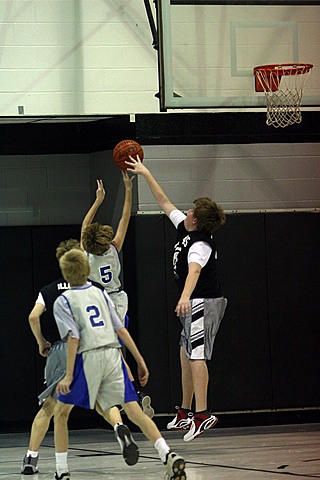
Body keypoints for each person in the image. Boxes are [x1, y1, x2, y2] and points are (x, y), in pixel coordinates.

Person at [53, 248, 186, 480]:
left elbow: (74, 338)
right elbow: (120, 329)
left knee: (61, 414)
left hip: (90, 356)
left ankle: (62, 472)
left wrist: (69, 374)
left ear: (65, 274)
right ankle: (167, 454)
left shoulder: (63, 301)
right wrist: (140, 360)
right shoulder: (101, 294)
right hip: (113, 356)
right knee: (135, 412)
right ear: (87, 270)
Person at [127, 156, 227, 442]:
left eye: (192, 209)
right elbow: (163, 202)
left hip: (203, 302)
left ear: (197, 219)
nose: (187, 209)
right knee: (186, 354)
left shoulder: (200, 245)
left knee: (196, 355)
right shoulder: (186, 228)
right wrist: (145, 172)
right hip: (194, 302)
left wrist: (184, 297)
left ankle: (203, 413)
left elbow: (194, 272)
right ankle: (185, 411)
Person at [21, 239, 138, 475]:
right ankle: (119, 427)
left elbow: (33, 317)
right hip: (93, 349)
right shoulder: (96, 288)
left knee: (50, 407)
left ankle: (31, 459)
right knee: (101, 398)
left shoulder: (49, 290)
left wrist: (41, 342)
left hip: (63, 349)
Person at [80, 173, 154, 418]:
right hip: (120, 301)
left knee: (114, 353)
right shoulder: (114, 248)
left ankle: (131, 392)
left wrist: (98, 201)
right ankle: (132, 392)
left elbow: (83, 229)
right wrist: (128, 189)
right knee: (117, 352)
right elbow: (125, 216)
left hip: (102, 304)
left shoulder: (88, 257)